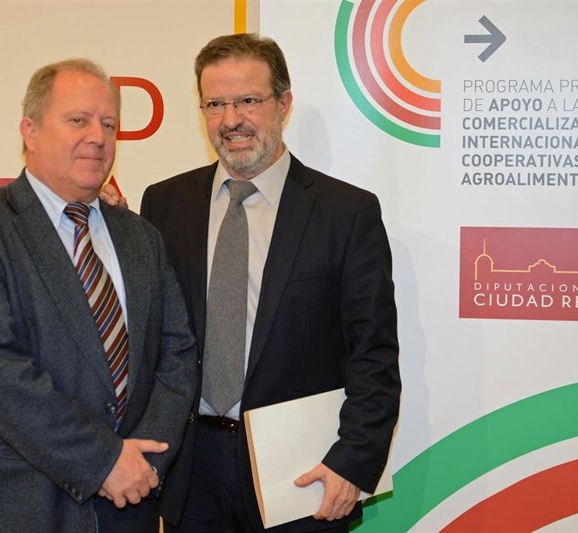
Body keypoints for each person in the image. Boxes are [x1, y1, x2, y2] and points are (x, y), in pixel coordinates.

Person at [139, 33, 401, 532]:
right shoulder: (164, 204)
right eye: (215, 104)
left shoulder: (346, 213)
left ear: (283, 104)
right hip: (191, 473)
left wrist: (352, 461)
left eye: (248, 101)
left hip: (299, 472)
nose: (230, 119)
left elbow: (373, 355)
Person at [0, 58, 196, 532]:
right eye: (78, 120)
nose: (98, 136)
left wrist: (145, 463)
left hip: (130, 507)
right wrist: (104, 461)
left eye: (109, 124)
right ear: (29, 131)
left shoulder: (142, 238)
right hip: (18, 509)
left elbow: (177, 354)